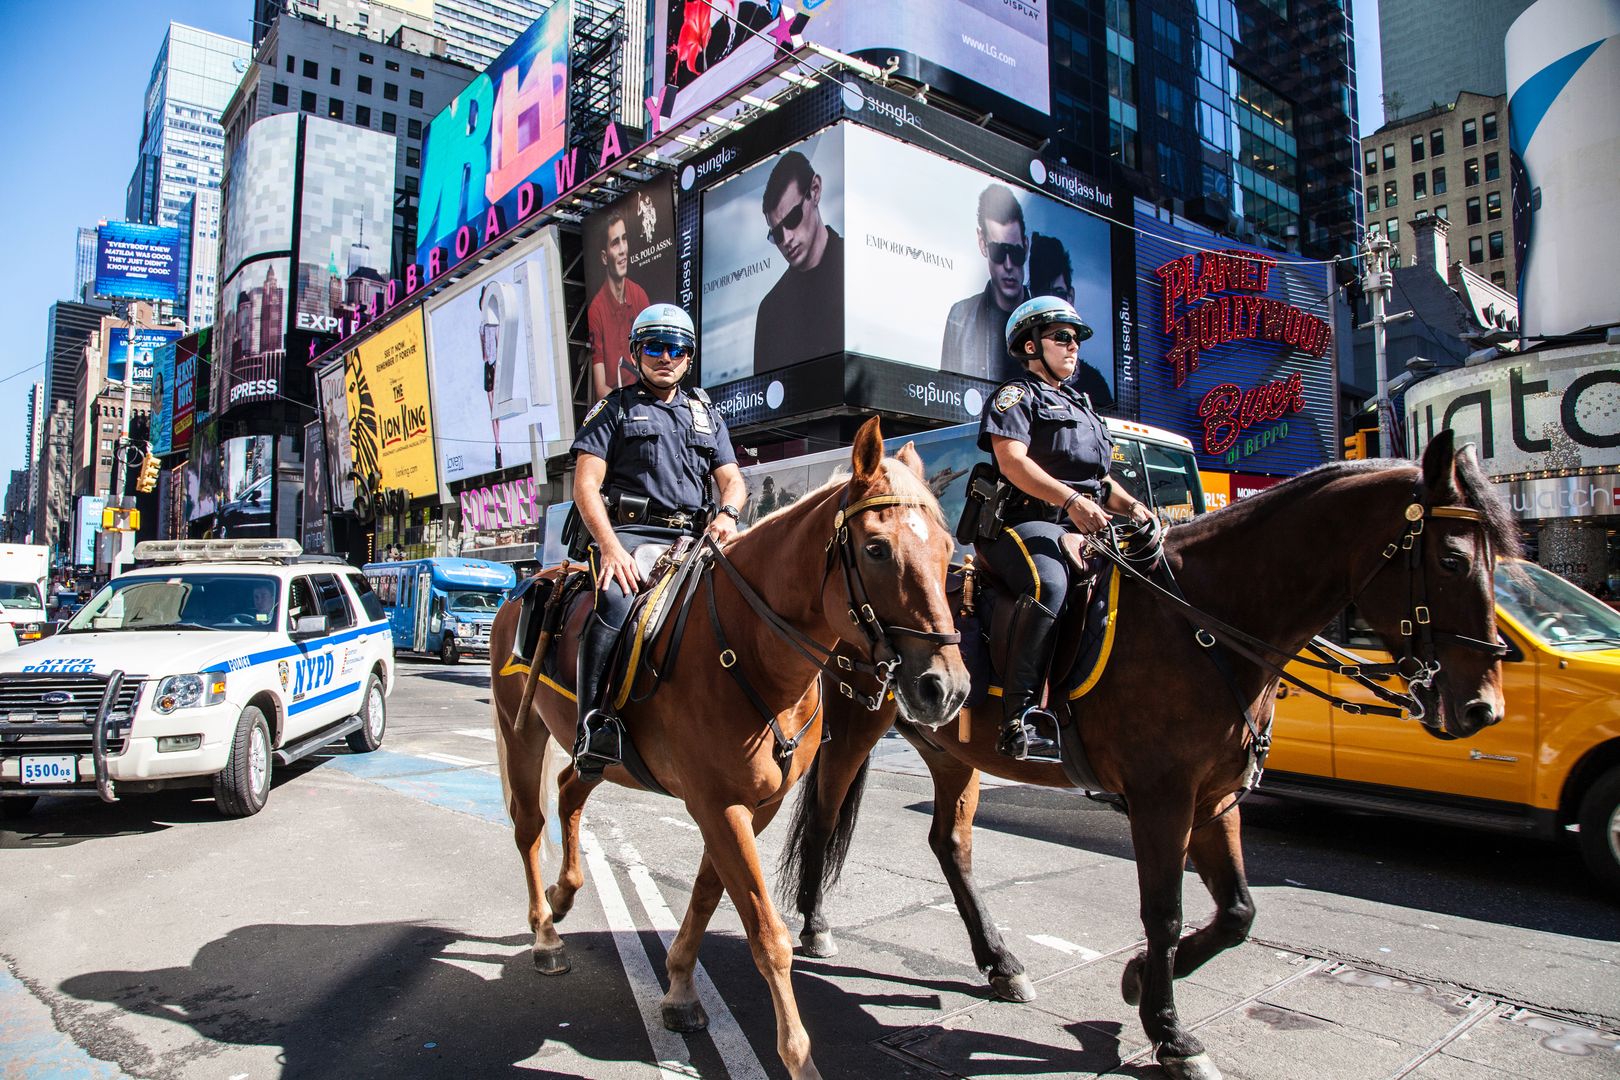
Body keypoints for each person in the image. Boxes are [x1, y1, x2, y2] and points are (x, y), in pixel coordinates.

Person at [570, 303, 748, 779]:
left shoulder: (706, 413)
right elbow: (586, 484)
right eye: (654, 347)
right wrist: (609, 548)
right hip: (630, 536)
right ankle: (594, 724)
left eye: (675, 348)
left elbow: (732, 480)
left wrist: (729, 514)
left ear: (689, 357)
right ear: (635, 353)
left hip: (695, 539)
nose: (664, 357)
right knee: (614, 601)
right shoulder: (615, 408)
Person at [975, 296, 1155, 760]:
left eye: (1076, 340)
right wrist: (1072, 501)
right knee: (1049, 585)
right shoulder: (1016, 396)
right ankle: (1019, 718)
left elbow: (1100, 481)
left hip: (1080, 529)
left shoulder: (1083, 405)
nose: (1073, 347)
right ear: (1031, 345)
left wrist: (1135, 508)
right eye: (1062, 337)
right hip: (1019, 524)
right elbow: (1012, 463)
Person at [754, 150, 844, 373]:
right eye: (776, 234)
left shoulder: (860, 265)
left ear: (815, 190)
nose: (787, 239)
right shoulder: (770, 311)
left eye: (793, 219)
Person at [941, 184, 1031, 381]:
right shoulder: (960, 317)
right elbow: (947, 391)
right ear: (983, 245)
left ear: (1026, 246)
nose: (1008, 265)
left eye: (1015, 253)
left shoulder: (1044, 322)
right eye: (999, 252)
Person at [1028, 234, 1113, 408]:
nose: (1073, 346)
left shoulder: (1096, 385)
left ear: (1071, 295)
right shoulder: (1018, 389)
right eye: (1060, 336)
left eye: (1059, 293)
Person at [586, 209, 652, 400]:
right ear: (605, 257)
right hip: (619, 410)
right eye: (615, 243)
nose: (623, 249)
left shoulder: (639, 295)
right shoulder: (597, 310)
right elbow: (601, 389)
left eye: (624, 239)